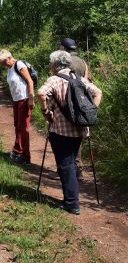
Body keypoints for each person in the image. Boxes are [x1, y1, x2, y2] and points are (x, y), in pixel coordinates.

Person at [37, 50, 102, 215]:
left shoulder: (54, 79)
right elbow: (98, 92)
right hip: (80, 129)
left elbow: (41, 93)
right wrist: (91, 112)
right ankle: (69, 198)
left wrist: (45, 112)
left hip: (61, 130)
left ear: (54, 64)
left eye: (51, 64)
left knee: (66, 166)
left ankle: (72, 204)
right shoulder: (78, 78)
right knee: (70, 163)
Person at [0, 49, 35, 165]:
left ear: (9, 58)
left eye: (4, 62)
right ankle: (17, 150)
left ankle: (26, 157)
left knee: (23, 128)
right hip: (16, 100)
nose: (3, 64)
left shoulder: (19, 65)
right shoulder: (10, 69)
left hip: (24, 99)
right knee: (17, 125)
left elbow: (30, 81)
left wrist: (31, 99)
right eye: (1, 63)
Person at [59, 37, 89, 179]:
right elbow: (87, 81)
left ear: (63, 47)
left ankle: (66, 169)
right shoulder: (83, 62)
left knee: (64, 136)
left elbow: (58, 81)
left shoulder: (64, 61)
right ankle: (79, 169)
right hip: (82, 103)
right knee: (79, 134)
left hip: (66, 102)